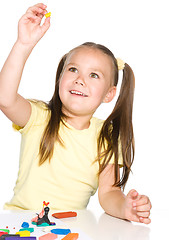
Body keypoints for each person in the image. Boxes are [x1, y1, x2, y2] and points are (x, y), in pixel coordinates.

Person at [0, 3, 151, 224]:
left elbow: (108, 194)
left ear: (109, 94)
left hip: (68, 228)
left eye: (94, 75)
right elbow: (5, 98)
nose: (80, 79)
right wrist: (24, 44)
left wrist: (126, 208)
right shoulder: (39, 117)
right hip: (19, 224)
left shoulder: (107, 136)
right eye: (73, 70)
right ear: (60, 77)